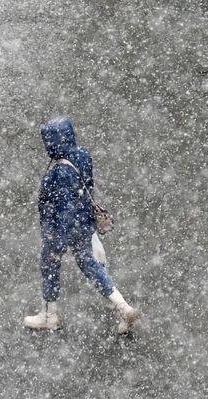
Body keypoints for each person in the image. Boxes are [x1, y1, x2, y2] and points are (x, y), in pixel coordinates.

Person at [23, 117, 140, 334]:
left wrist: (57, 240)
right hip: (84, 223)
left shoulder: (60, 172)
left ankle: (49, 315)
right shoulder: (82, 155)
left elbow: (64, 209)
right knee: (90, 265)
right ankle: (123, 307)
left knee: (49, 267)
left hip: (62, 228)